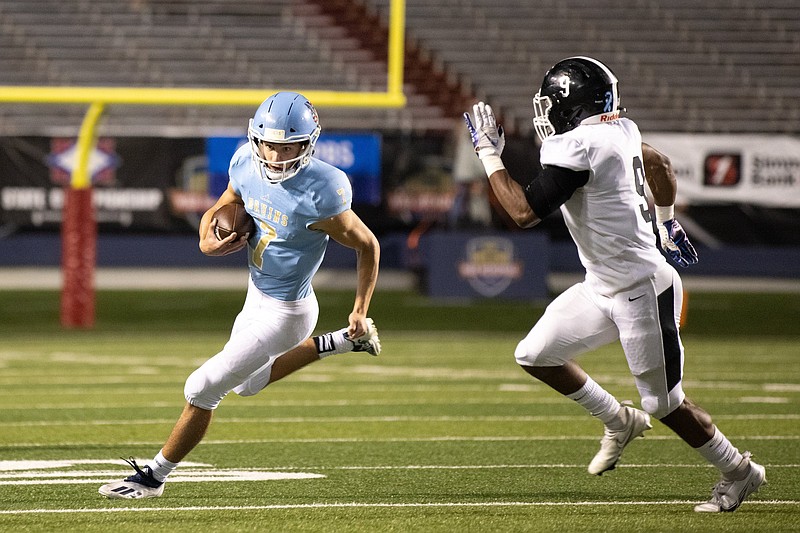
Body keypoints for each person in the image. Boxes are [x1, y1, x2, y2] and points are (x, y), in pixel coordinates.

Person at [464, 56, 765, 513]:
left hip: (643, 289)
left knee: (666, 404)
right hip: (601, 284)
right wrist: (666, 223)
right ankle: (618, 419)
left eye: (553, 104)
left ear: (572, 104)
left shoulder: (579, 146)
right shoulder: (623, 129)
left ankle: (740, 472)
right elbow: (660, 165)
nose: (547, 113)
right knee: (534, 354)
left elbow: (524, 213)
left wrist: (489, 154)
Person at [99, 91, 381, 499]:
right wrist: (207, 242)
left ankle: (153, 477)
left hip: (288, 312)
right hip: (257, 294)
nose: (277, 156)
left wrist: (360, 308)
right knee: (247, 386)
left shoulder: (324, 189)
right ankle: (340, 342)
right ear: (255, 139)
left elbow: (368, 245)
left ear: (309, 143)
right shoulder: (245, 164)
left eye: (289, 146)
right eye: (269, 144)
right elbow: (223, 206)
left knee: (202, 387)